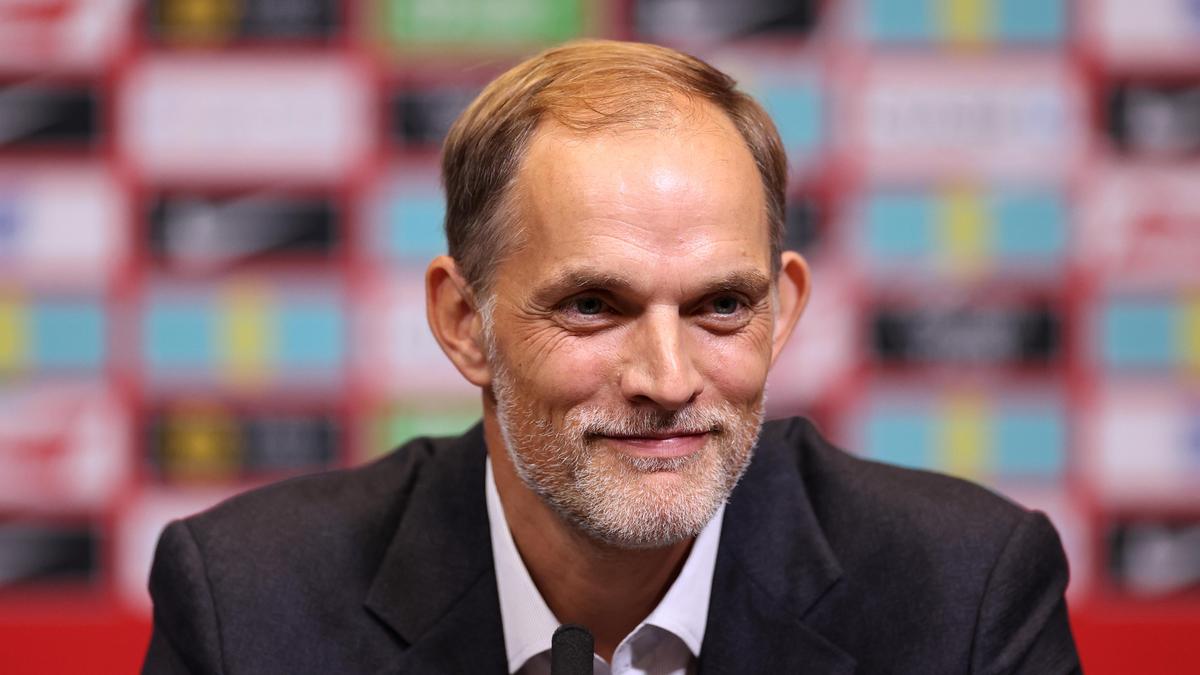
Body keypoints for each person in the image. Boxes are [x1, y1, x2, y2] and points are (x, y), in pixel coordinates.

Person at [142, 40, 1081, 674]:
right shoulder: (248, 605)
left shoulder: (964, 593)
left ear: (783, 310)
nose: (668, 380)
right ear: (464, 321)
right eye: (593, 306)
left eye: (721, 306)